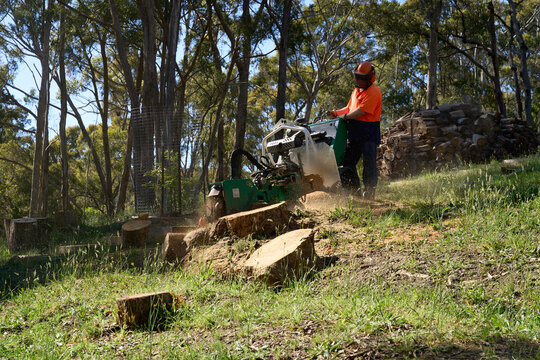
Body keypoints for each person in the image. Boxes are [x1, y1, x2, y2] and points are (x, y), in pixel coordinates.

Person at [327, 61, 382, 199]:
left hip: (368, 132)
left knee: (369, 164)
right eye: (357, 76)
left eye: (362, 78)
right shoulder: (356, 91)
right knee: (347, 162)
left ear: (370, 78)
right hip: (354, 132)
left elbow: (360, 111)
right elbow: (349, 108)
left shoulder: (374, 91)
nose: (358, 80)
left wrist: (345, 117)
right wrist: (336, 113)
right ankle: (355, 192)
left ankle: (369, 194)